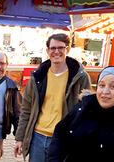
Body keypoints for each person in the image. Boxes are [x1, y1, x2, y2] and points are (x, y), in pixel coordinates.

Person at [14, 33, 91, 162]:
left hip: (62, 138)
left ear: (67, 49)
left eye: (60, 48)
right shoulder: (37, 77)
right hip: (37, 137)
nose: (56, 52)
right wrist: (19, 138)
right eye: (53, 48)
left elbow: (87, 111)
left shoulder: (80, 77)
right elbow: (26, 109)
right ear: (47, 50)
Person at [48, 66, 114, 162]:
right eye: (102, 85)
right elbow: (60, 131)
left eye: (113, 86)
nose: (105, 91)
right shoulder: (83, 107)